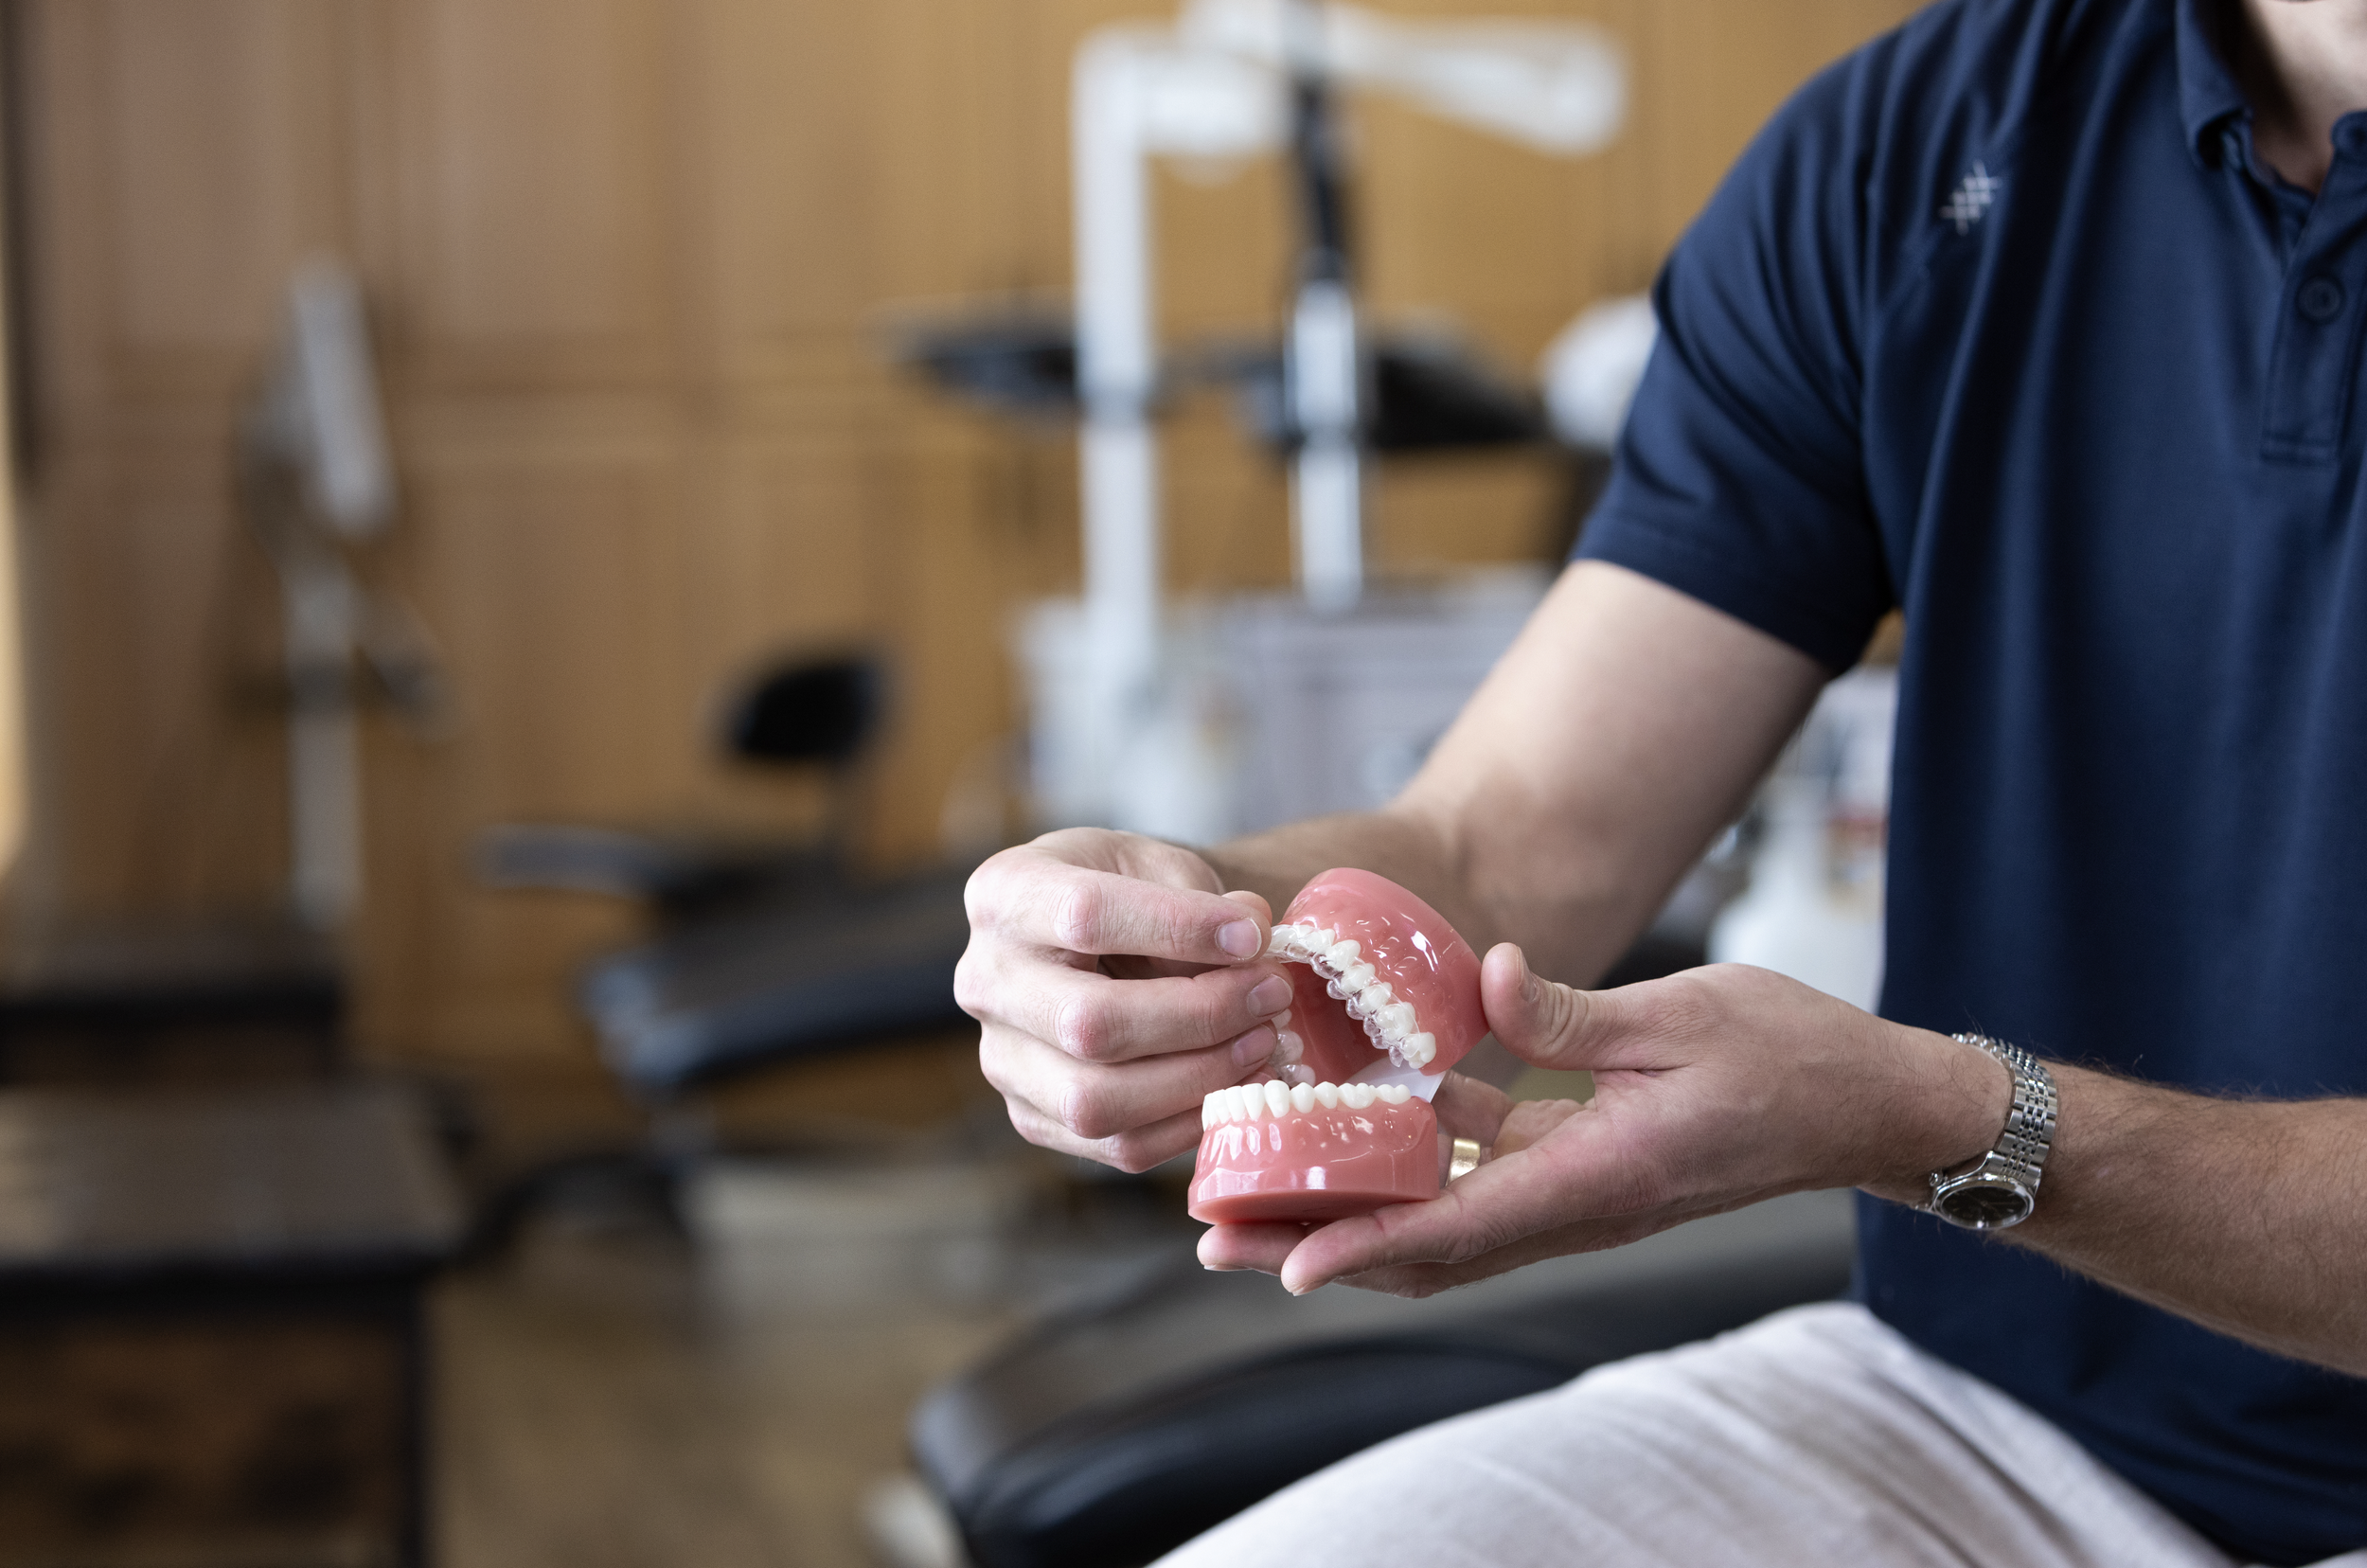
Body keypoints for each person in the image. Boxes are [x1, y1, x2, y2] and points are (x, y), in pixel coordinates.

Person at [955, 0, 2367, 1560]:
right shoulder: (1921, 144)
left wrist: (1943, 1122)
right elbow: (1512, 834)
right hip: (1984, 1418)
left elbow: (1933, 1121)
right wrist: (1186, 928)